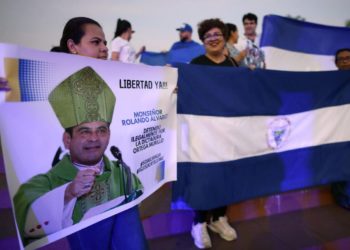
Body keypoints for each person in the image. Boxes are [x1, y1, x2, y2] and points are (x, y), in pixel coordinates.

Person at [13, 66, 143, 246]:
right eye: (84, 131)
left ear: (109, 135)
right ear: (67, 139)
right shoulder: (45, 183)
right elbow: (26, 221)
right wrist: (68, 193)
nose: (94, 138)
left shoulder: (124, 174)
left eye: (101, 130)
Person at [49, 17, 148, 250]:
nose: (105, 47)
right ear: (73, 46)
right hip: (81, 205)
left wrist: (165, 88)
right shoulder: (58, 175)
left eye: (105, 42)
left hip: (120, 194)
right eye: (96, 42)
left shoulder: (120, 171)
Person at [187, 18, 238, 249]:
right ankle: (199, 223)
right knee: (203, 177)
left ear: (225, 37)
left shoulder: (233, 66)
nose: (213, 39)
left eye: (217, 34)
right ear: (203, 41)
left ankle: (219, 218)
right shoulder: (195, 64)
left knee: (226, 175)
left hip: (228, 133)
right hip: (202, 134)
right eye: (208, 36)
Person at [331, 48, 350, 210]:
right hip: (338, 133)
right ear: (336, 63)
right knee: (340, 166)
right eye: (341, 59)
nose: (344, 61)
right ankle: (344, 198)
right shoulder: (328, 83)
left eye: (348, 58)